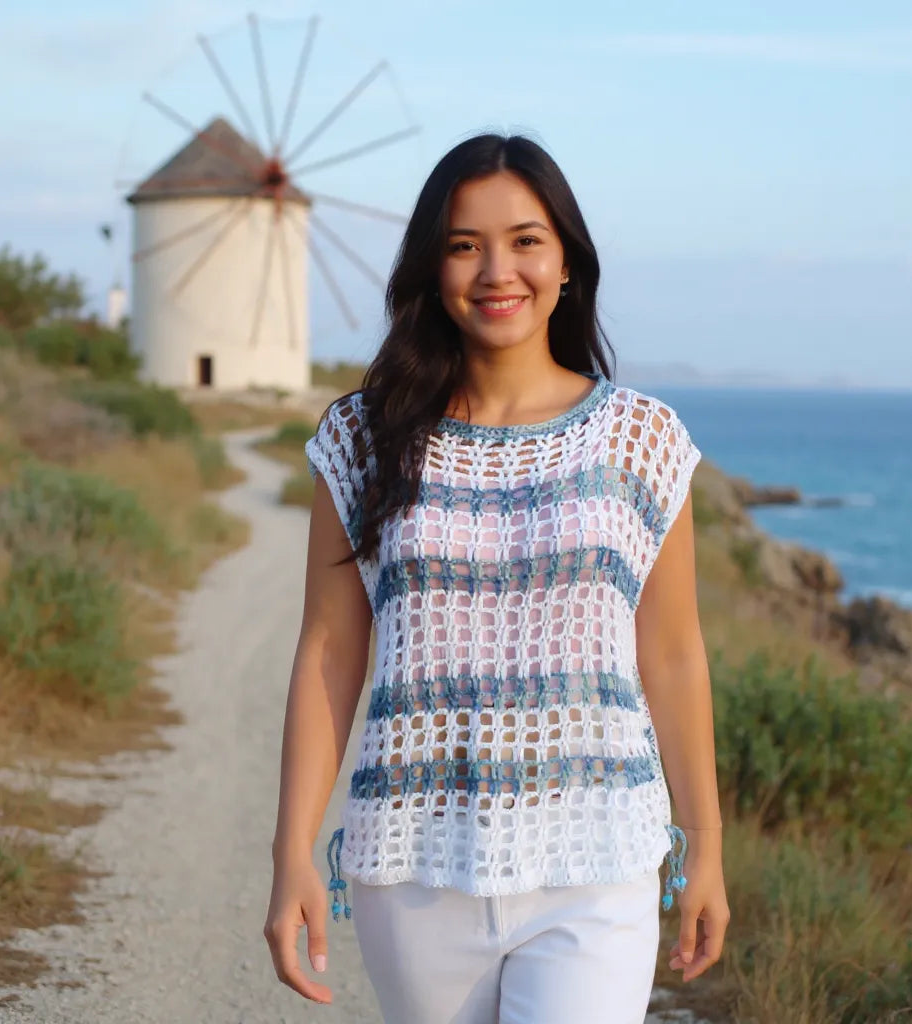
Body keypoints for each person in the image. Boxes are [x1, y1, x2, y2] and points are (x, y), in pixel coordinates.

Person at [264, 131, 730, 1024]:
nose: (495, 272)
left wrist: (703, 846)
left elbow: (673, 655)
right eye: (463, 245)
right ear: (432, 268)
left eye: (525, 241)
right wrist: (292, 856)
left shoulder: (641, 439)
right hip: (413, 865)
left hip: (598, 859)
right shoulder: (362, 440)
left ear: (566, 262)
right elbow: (328, 651)